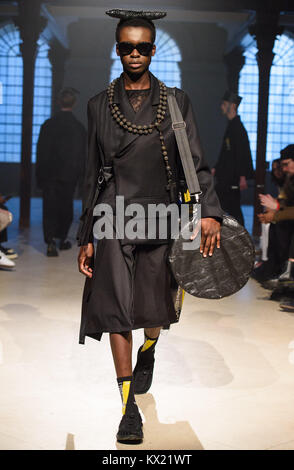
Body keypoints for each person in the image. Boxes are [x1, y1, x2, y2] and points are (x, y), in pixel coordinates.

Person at [77, 9, 223, 445]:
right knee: (117, 309)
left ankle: (150, 347)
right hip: (113, 215)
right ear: (117, 49)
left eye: (142, 46)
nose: (134, 53)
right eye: (126, 46)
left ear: (153, 50)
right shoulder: (98, 106)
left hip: (162, 215)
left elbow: (194, 161)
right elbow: (91, 172)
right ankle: (128, 410)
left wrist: (209, 209)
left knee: (155, 309)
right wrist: (86, 236)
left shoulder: (175, 102)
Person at [36, 87, 87, 256]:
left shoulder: (48, 125)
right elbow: (82, 156)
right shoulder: (79, 128)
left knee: (49, 208)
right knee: (66, 207)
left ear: (59, 102)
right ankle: (62, 238)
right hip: (69, 176)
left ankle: (50, 242)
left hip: (50, 175)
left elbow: (41, 152)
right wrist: (82, 179)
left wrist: (40, 176)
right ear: (74, 103)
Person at [212, 91, 254, 226]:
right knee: (225, 207)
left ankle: (241, 240)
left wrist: (242, 176)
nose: (222, 107)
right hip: (226, 176)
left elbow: (242, 153)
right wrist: (216, 168)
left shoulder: (238, 128)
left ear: (232, 105)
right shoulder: (232, 126)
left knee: (232, 208)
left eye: (224, 104)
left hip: (231, 177)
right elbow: (226, 154)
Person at [258, 145, 294, 287]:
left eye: (286, 164)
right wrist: (275, 208)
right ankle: (275, 266)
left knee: (281, 225)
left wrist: (276, 211)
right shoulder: (290, 180)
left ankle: (288, 273)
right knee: (274, 226)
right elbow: (287, 202)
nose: (283, 169)